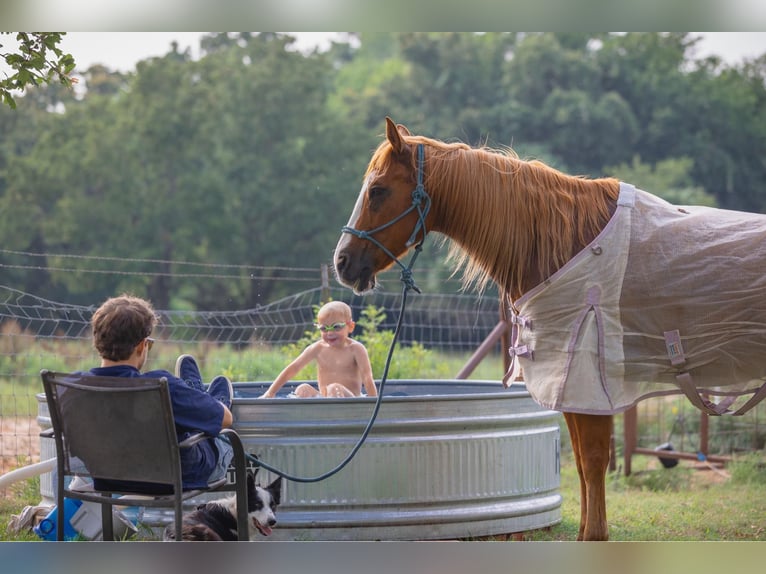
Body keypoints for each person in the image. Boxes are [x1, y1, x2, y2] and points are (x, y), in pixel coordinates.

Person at [86, 294, 234, 491]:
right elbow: (226, 419)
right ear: (141, 345)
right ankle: (201, 399)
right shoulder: (160, 385)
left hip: (107, 478)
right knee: (223, 439)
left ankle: (195, 398)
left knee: (183, 414)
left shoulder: (77, 387)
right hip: (175, 477)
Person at [261, 301, 377, 399]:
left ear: (350, 326)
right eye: (324, 328)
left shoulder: (356, 349)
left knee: (334, 387)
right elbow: (293, 368)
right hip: (325, 399)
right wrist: (270, 392)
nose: (330, 333)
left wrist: (373, 405)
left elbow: (367, 378)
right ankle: (309, 420)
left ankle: (335, 419)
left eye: (336, 327)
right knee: (303, 389)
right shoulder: (317, 348)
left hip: (351, 401)